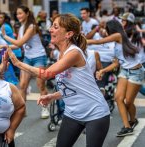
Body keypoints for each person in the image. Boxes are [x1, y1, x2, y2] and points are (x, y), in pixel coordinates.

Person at [7, 13, 110, 147]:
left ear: (68, 34)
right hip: (73, 114)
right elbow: (74, 87)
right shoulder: (61, 54)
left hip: (96, 114)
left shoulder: (74, 53)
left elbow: (46, 74)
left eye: (55, 27)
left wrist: (18, 64)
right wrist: (53, 96)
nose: (50, 30)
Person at [87, 19, 144, 137]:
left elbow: (98, 41)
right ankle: (127, 127)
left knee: (128, 101)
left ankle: (133, 120)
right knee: (118, 98)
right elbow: (117, 63)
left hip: (136, 72)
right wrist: (103, 70)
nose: (105, 32)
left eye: (107, 30)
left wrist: (82, 40)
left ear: (111, 29)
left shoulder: (118, 35)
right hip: (124, 71)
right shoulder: (117, 43)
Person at [1, 5, 49, 119]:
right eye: (17, 14)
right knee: (22, 86)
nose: (18, 16)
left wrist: (4, 37)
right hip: (27, 58)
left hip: (39, 57)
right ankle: (22, 110)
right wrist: (4, 47)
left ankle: (45, 108)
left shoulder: (32, 26)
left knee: (40, 85)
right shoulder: (22, 27)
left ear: (27, 13)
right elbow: (19, 44)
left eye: (20, 13)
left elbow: (19, 43)